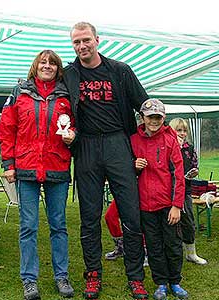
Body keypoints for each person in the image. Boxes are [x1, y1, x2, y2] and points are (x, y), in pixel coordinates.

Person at [63, 22, 149, 299]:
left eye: (86, 40)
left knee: (130, 214)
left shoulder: (120, 71)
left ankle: (135, 277)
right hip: (86, 145)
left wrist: (154, 137)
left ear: (97, 40)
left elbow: (145, 105)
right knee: (89, 217)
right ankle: (93, 275)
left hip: (117, 143)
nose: (82, 46)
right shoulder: (68, 75)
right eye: (76, 42)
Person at [0, 50, 75, 300]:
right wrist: (8, 164)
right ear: (35, 66)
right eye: (43, 62)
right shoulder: (19, 93)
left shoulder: (67, 94)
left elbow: (78, 125)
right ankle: (29, 280)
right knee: (28, 227)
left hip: (57, 167)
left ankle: (61, 276)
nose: (47, 66)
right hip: (26, 169)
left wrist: (73, 135)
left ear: (58, 68)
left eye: (52, 63)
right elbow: (7, 129)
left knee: (59, 226)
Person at [131, 99, 189, 300]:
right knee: (154, 246)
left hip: (168, 205)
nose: (154, 121)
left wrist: (176, 205)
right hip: (146, 205)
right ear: (143, 118)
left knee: (173, 244)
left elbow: (178, 174)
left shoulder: (170, 139)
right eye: (150, 117)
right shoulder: (133, 140)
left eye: (158, 117)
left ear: (163, 119)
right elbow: (124, 172)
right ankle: (161, 283)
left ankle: (175, 281)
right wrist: (134, 166)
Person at [169, 118, 208, 265]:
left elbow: (194, 164)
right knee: (170, 222)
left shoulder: (189, 148)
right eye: (179, 130)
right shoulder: (166, 145)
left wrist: (194, 171)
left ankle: (191, 253)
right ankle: (170, 254)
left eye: (185, 130)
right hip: (168, 190)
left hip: (185, 189)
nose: (183, 133)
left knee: (188, 221)